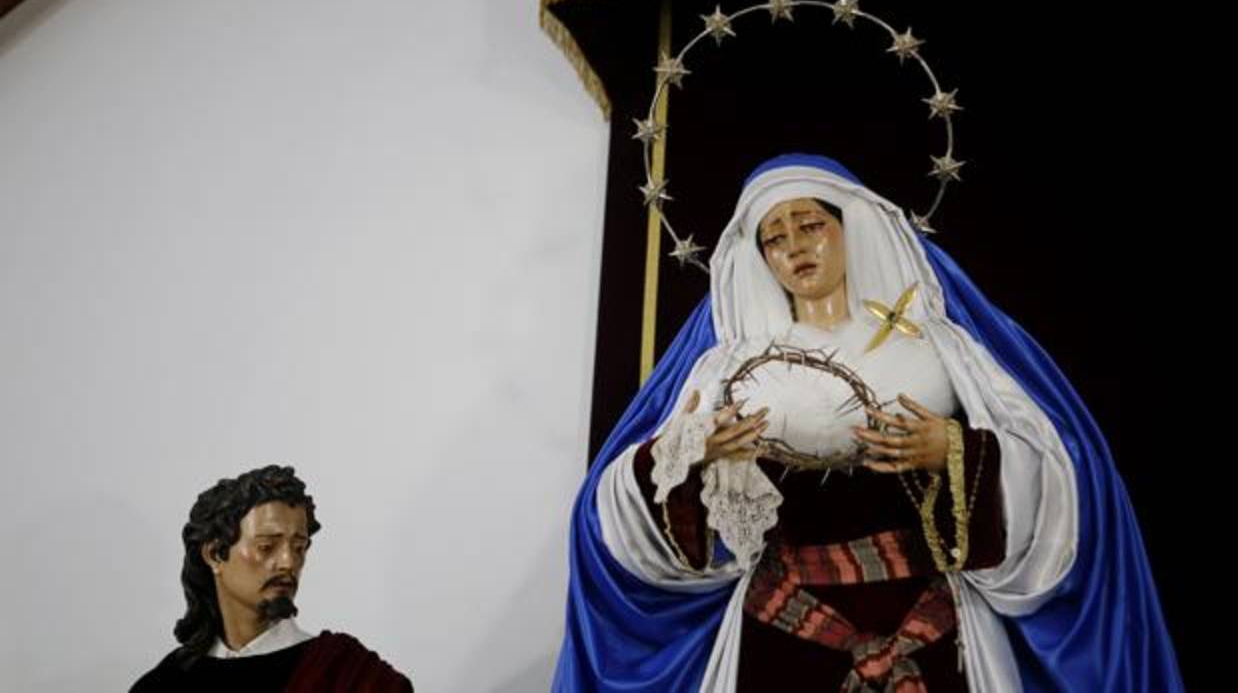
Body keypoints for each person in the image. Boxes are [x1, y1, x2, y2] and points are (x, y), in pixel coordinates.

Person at [552, 154, 1182, 692]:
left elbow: (1059, 472)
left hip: (931, 622)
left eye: (811, 225)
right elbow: (611, 507)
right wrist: (690, 457)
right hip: (783, 631)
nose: (796, 247)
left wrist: (957, 450)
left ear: (850, 228)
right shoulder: (729, 367)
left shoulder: (942, 350)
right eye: (775, 238)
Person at [131, 465, 413, 692]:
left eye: (299, 547)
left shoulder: (349, 675)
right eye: (267, 547)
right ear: (215, 554)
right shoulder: (164, 684)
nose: (289, 562)